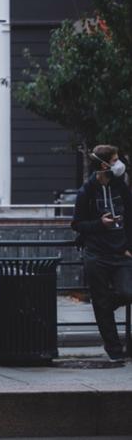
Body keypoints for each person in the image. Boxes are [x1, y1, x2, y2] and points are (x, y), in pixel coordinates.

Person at [72, 145, 132, 362]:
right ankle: (114, 350)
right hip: (96, 253)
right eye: (115, 160)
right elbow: (77, 224)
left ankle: (106, 302)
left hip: (120, 252)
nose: (119, 164)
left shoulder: (120, 187)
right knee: (101, 303)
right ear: (104, 165)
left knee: (127, 292)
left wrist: (129, 247)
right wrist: (100, 223)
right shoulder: (86, 191)